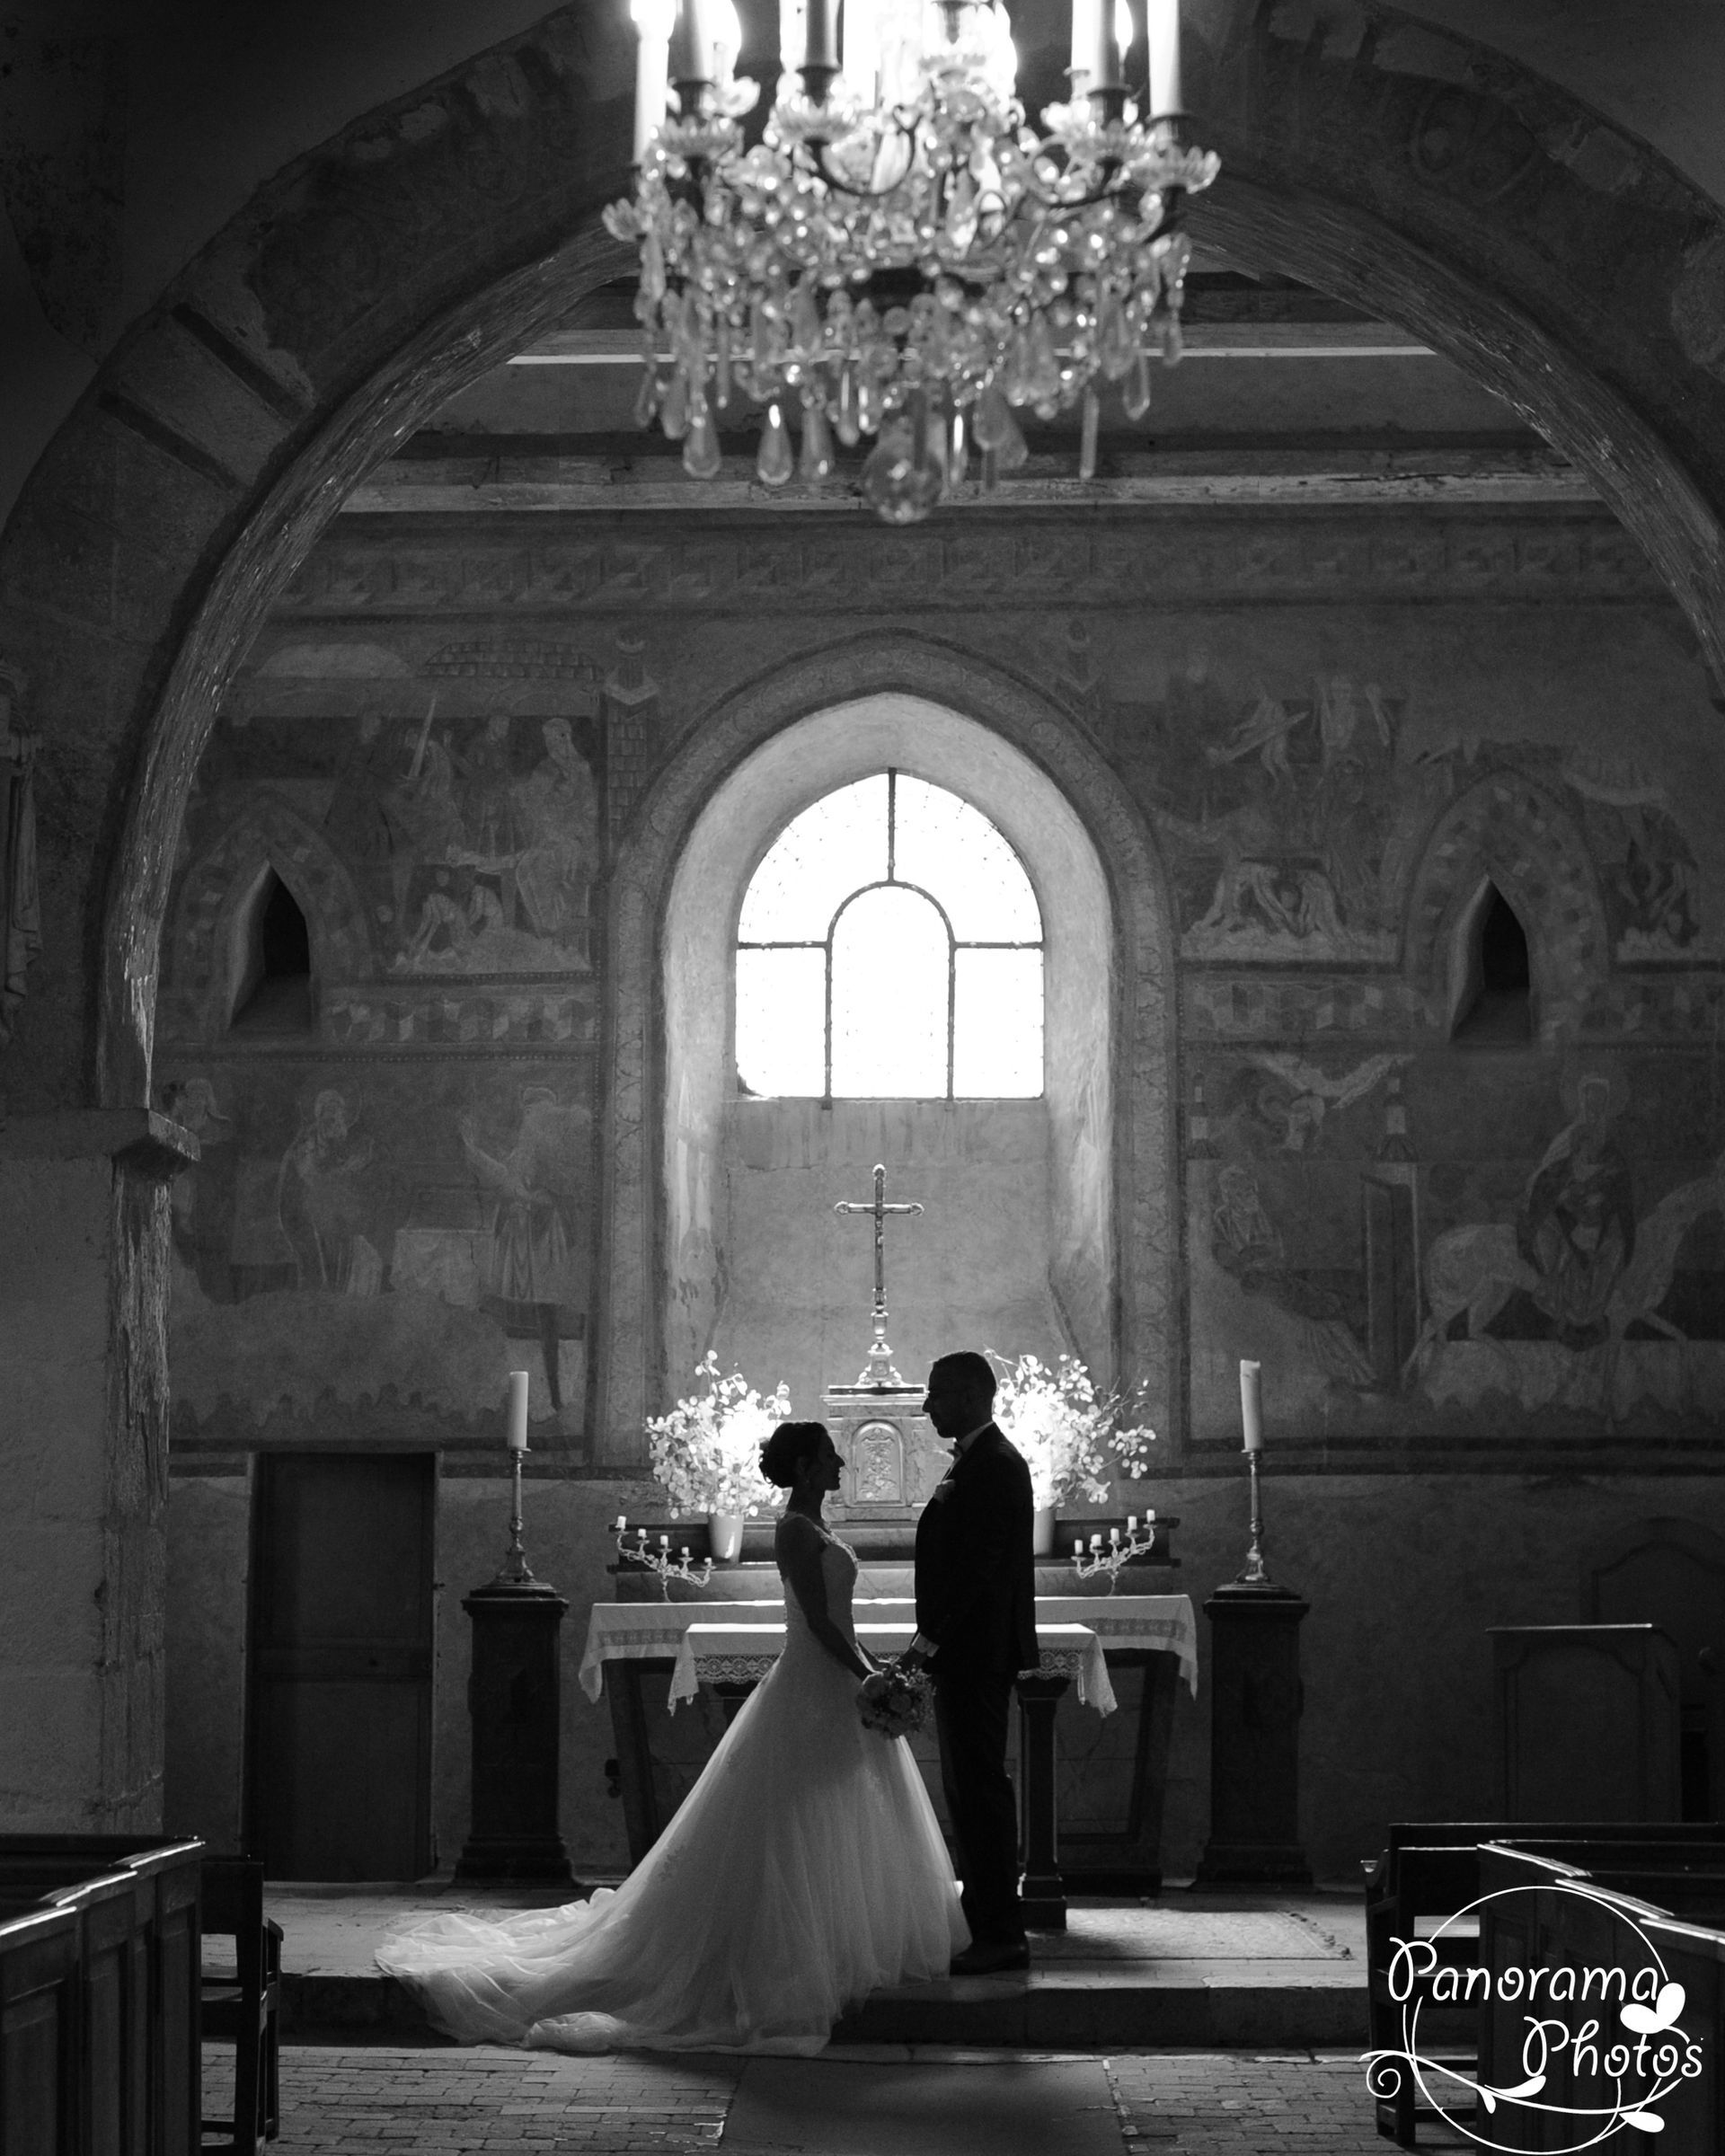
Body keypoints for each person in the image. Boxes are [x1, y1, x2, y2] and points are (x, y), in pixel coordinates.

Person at [376, 1420, 967, 2053]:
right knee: (790, 1822)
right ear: (803, 1466)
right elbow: (819, 1621)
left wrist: (875, 1670)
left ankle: (842, 1944)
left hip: (837, 1685)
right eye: (828, 1456)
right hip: (812, 1685)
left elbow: (840, 1620)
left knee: (836, 1815)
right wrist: (868, 1675)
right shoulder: (794, 1530)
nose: (842, 1463)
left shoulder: (818, 1528)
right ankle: (777, 1954)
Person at [899, 1350, 1038, 1975]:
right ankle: (984, 1914)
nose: (927, 1407)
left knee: (980, 1787)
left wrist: (931, 1640)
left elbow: (980, 1570)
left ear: (971, 1396)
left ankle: (1002, 1931)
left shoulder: (996, 1466)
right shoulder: (980, 1462)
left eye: (937, 1394)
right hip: (968, 1651)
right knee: (969, 1786)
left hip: (976, 1653)